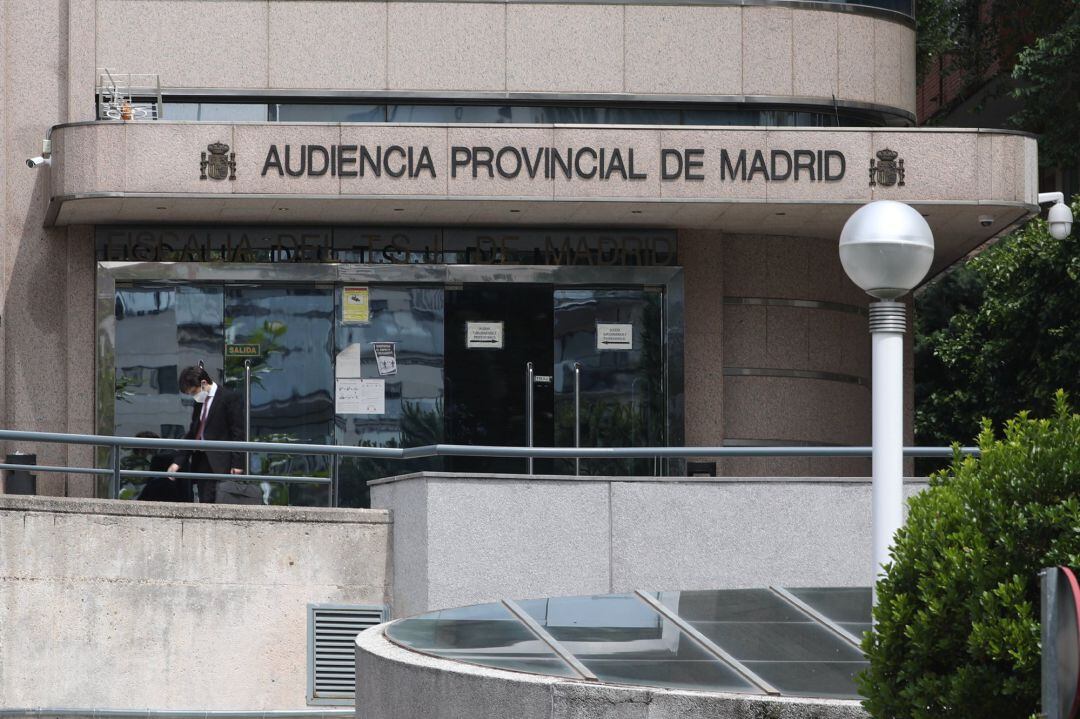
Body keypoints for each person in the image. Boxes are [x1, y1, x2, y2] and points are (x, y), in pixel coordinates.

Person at [168, 365, 261, 505]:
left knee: (222, 501)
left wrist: (237, 463)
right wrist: (178, 461)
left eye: (194, 392)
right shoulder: (199, 403)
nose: (194, 396)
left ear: (203, 383)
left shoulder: (229, 398)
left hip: (222, 462)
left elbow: (237, 432)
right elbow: (194, 432)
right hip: (202, 461)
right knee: (205, 501)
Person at [135, 430, 193, 502]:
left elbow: (152, 484)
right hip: (184, 496)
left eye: (141, 451)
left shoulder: (159, 458)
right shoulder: (176, 455)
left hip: (170, 496)